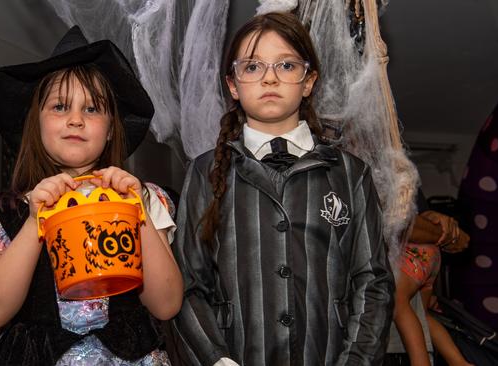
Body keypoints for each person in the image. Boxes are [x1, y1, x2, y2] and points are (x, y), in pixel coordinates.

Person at [0, 26, 183, 365]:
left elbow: (167, 304)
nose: (75, 120)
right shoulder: (4, 212)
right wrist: (34, 222)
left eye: (92, 109)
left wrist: (134, 209)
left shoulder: (141, 198)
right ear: (36, 121)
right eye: (59, 107)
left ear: (111, 127)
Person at [169, 12, 394, 366]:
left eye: (287, 66)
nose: (270, 78)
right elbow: (188, 282)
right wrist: (217, 359)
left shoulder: (350, 173)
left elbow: (373, 282)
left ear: (308, 81)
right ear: (233, 85)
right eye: (253, 67)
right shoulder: (205, 171)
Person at [387, 191, 472, 366]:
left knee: (397, 300)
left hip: (413, 251)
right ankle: (459, 362)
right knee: (422, 316)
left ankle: (421, 362)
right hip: (430, 253)